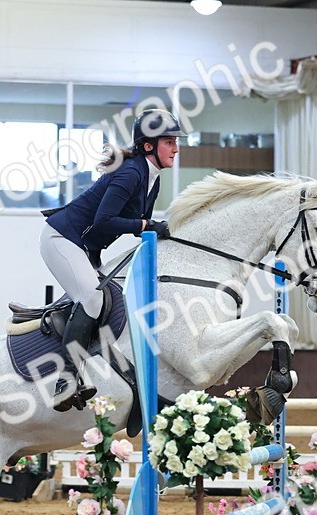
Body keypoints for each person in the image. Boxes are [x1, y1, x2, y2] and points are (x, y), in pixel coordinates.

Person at [41, 108, 181, 412]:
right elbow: (104, 221)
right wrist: (146, 224)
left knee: (111, 301)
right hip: (61, 239)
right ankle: (65, 380)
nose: (175, 148)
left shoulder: (151, 179)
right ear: (149, 146)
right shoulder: (131, 173)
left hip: (85, 247)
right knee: (92, 299)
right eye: (169, 142)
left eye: (175, 142)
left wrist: (162, 229)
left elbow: (138, 225)